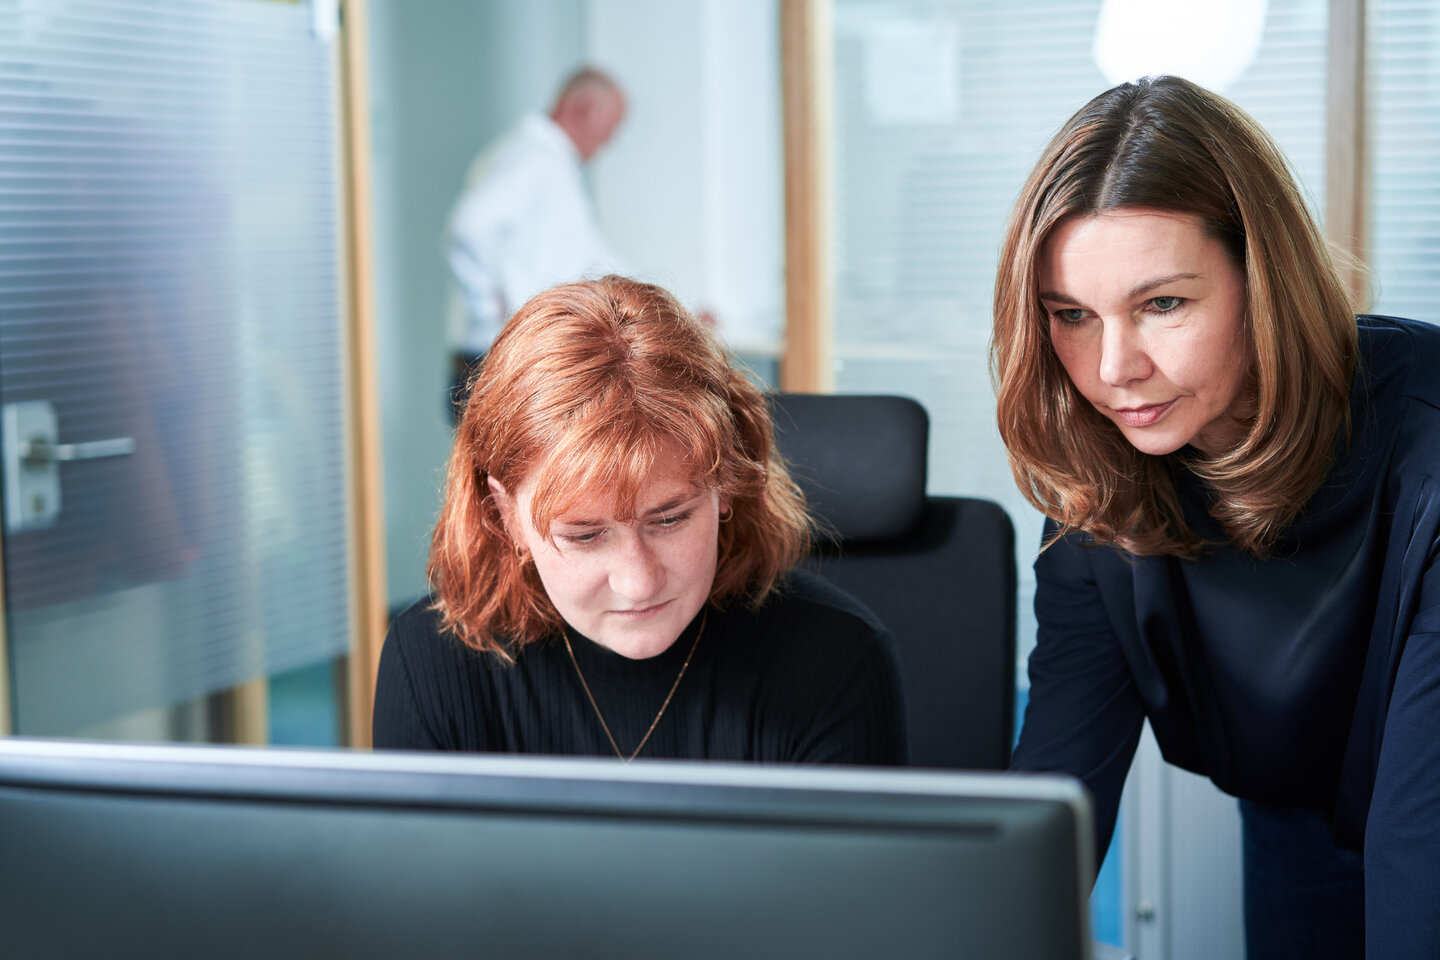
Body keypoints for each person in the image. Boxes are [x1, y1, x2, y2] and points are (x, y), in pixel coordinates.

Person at [994, 75, 1440, 960]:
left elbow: (1419, 839)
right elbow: (1054, 803)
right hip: (1291, 809)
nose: (1115, 367)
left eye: (1163, 304)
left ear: (1262, 279)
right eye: (1073, 316)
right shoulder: (1102, 486)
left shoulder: (1427, 444)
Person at [375, 275, 906, 766]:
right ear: (505, 517)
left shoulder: (838, 660)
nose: (640, 581)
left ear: (726, 484)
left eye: (670, 519)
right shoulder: (430, 664)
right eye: (584, 535)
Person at [443, 68, 628, 421]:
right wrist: (490, 313)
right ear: (585, 111)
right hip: (494, 364)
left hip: (505, 359)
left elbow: (592, 258)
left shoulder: (555, 165)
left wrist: (676, 306)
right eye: (611, 127)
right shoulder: (532, 157)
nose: (610, 141)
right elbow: (470, 225)